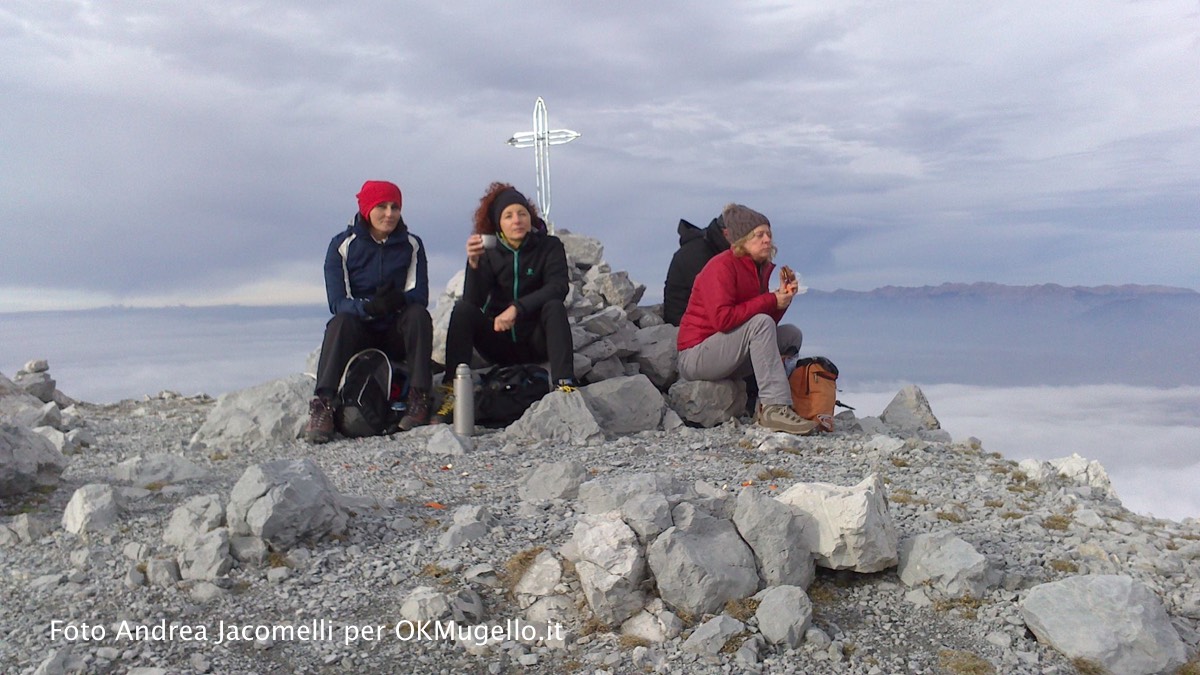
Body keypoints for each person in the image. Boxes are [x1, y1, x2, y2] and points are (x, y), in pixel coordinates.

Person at [304, 180, 434, 443]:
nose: (389, 214)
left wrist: (397, 300)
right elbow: (338, 302)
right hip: (360, 333)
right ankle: (324, 404)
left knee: (418, 316)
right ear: (366, 209)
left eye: (395, 207)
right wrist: (369, 307)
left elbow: (419, 295)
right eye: (381, 206)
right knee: (339, 322)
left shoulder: (412, 244)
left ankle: (419, 397)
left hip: (396, 332)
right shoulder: (342, 245)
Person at [438, 182, 578, 421]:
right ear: (498, 223)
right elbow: (473, 301)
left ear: (531, 217)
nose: (517, 220)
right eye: (509, 216)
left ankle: (564, 385)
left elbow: (558, 287)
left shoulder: (549, 246)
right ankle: (453, 390)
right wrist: (473, 265)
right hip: (499, 343)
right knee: (462, 310)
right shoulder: (489, 252)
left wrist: (517, 308)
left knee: (554, 306)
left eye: (522, 214)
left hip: (536, 340)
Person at [675, 203, 814, 435]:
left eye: (769, 234)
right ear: (742, 240)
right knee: (761, 324)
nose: (767, 240)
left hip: (726, 353)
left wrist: (782, 301)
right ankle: (774, 408)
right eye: (759, 235)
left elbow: (761, 325)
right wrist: (770, 299)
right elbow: (723, 320)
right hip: (696, 355)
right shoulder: (721, 267)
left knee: (791, 335)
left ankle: (774, 402)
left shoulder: (757, 269)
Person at [662, 216, 731, 326]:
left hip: (700, 319)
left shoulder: (711, 248)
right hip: (685, 323)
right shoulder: (697, 253)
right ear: (726, 232)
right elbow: (714, 297)